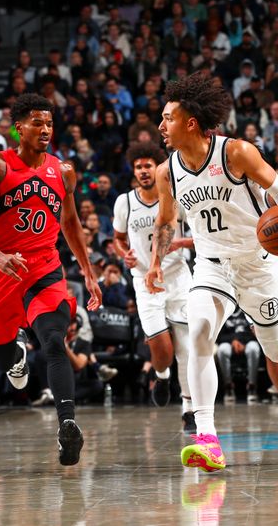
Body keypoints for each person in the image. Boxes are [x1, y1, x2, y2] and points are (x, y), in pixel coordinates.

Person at [147, 72, 278, 473]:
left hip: (259, 263)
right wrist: (156, 263)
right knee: (198, 332)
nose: (161, 126)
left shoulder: (236, 153)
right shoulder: (167, 172)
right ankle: (207, 438)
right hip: (211, 266)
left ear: (190, 122)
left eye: (167, 118)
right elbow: (165, 222)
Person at [0, 94, 102, 467]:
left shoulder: (64, 171)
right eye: (37, 123)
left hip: (44, 267)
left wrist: (88, 271)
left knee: (55, 340)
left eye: (50, 123)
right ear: (18, 127)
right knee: (2, 349)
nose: (45, 130)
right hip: (1, 269)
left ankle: (67, 423)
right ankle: (15, 358)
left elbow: (71, 224)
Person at [112, 142, 195, 431]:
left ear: (158, 168)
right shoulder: (125, 202)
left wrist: (180, 243)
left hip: (177, 277)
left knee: (186, 346)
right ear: (133, 170)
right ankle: (161, 376)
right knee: (162, 347)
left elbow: (200, 238)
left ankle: (189, 409)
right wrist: (124, 253)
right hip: (144, 281)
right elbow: (118, 238)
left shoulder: (177, 198)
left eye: (149, 165)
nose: (144, 170)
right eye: (139, 166)